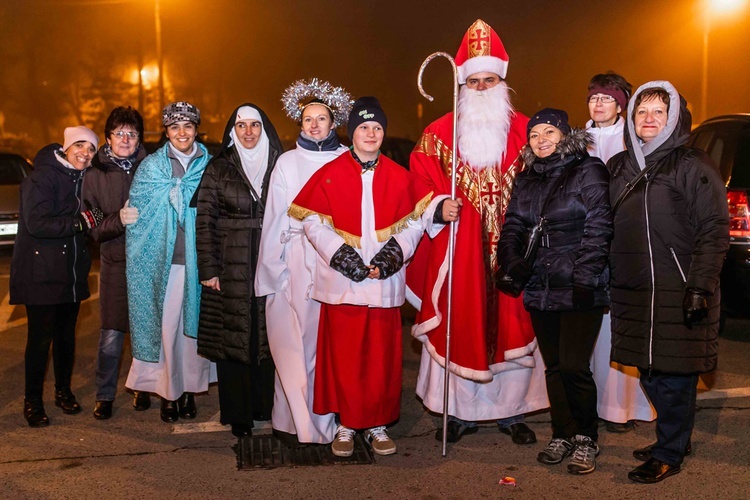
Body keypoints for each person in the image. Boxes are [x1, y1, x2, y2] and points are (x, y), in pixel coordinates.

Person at [407, 19, 547, 444]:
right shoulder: (436, 135)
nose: (482, 88)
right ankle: (461, 414)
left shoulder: (529, 132)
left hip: (515, 248)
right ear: (462, 84)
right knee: (460, 320)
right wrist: (436, 206)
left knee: (515, 322)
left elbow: (554, 179)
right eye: (474, 81)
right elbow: (419, 183)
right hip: (459, 252)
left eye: (489, 80)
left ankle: (513, 413)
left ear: (502, 81)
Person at [289, 97, 435, 457]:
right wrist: (343, 257)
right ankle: (345, 425)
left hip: (384, 283)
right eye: (363, 127)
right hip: (343, 284)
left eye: (377, 128)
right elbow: (311, 221)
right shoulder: (329, 173)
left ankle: (377, 424)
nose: (370, 133)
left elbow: (416, 222)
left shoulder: (401, 177)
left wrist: (393, 254)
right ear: (351, 132)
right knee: (345, 358)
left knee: (381, 359)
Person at [607, 81, 729, 483]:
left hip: (680, 286)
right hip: (634, 287)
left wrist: (700, 286)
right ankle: (676, 436)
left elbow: (714, 228)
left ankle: (669, 451)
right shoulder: (620, 165)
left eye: (659, 111)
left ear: (674, 117)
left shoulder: (692, 163)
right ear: (631, 117)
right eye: (642, 111)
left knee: (675, 373)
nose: (649, 118)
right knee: (648, 368)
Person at [498, 109, 613, 475]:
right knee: (554, 367)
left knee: (576, 366)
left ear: (565, 135)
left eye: (550, 131)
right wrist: (513, 263)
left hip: (579, 285)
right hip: (539, 285)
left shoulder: (588, 169)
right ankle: (561, 434)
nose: (542, 139)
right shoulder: (527, 177)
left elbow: (600, 225)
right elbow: (513, 223)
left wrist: (585, 277)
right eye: (535, 134)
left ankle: (586, 439)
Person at [255, 79, 352, 446]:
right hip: (296, 260)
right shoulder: (287, 162)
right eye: (308, 118)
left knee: (328, 344)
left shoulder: (346, 159)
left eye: (322, 118)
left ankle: (330, 418)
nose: (314, 125)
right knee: (294, 342)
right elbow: (275, 218)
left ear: (333, 123)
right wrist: (272, 270)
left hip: (335, 260)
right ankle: (292, 419)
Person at [195, 103, 282, 437]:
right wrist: (209, 268)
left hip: (269, 259)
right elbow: (205, 222)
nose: (248, 132)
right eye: (242, 125)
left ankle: (265, 406)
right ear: (233, 130)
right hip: (229, 264)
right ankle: (238, 415)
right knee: (233, 336)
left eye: (255, 125)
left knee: (265, 334)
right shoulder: (219, 168)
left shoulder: (279, 164)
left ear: (264, 129)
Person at [125, 102, 215, 424]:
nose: (182, 133)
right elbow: (138, 217)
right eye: (175, 127)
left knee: (193, 332)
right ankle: (168, 393)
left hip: (197, 265)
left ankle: (189, 390)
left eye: (188, 126)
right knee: (167, 330)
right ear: (166, 132)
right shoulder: (151, 168)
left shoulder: (210, 166)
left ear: (196, 130)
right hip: (163, 264)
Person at [11, 126, 101, 427]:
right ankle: (33, 401)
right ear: (65, 147)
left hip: (71, 272)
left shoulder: (82, 178)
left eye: (90, 149)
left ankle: (63, 392)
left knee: (66, 337)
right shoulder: (43, 177)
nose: (85, 154)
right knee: (40, 340)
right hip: (41, 273)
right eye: (79, 146)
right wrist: (81, 222)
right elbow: (37, 224)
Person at [585, 73, 656, 433]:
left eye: (606, 99)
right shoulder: (576, 140)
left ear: (621, 105)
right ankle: (592, 402)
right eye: (594, 98)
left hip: (622, 241)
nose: (598, 105)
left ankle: (623, 406)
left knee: (620, 324)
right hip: (587, 242)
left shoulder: (631, 141)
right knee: (591, 327)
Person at [82, 107, 148, 420]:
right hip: (114, 261)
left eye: (132, 134)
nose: (125, 139)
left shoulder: (150, 168)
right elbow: (92, 226)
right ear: (108, 136)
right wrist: (118, 220)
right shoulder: (94, 174)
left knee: (145, 329)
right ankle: (105, 394)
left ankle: (143, 388)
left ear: (139, 139)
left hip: (148, 260)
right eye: (119, 133)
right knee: (111, 332)